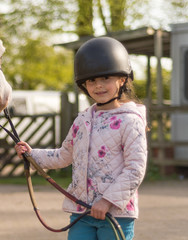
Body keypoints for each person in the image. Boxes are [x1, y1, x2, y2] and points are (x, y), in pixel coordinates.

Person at [15, 37, 147, 240]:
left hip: (116, 213)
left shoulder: (131, 121)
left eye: (106, 79)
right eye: (92, 80)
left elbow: (135, 169)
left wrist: (107, 201)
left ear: (122, 80)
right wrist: (32, 154)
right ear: (84, 85)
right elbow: (63, 155)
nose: (98, 86)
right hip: (82, 211)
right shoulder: (82, 120)